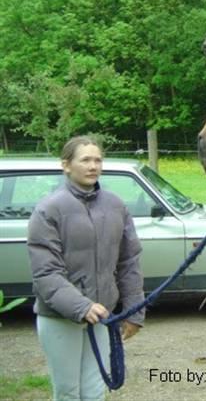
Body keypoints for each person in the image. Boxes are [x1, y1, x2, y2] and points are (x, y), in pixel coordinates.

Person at [27, 135, 145, 401]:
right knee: (68, 392)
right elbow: (46, 273)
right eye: (85, 160)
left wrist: (134, 312)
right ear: (66, 165)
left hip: (101, 317)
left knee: (94, 392)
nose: (93, 166)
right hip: (60, 319)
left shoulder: (116, 206)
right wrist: (82, 307)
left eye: (98, 160)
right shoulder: (48, 210)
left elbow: (129, 262)